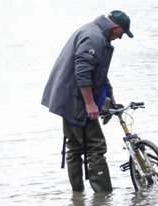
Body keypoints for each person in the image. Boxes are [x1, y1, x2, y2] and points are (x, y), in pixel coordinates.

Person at [41, 10, 134, 192]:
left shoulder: (94, 33)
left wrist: (110, 95)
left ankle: (78, 198)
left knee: (74, 146)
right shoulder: (93, 37)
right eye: (121, 33)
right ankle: (103, 198)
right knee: (96, 146)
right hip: (76, 100)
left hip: (68, 98)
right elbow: (83, 73)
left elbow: (97, 73)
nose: (120, 38)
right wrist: (90, 104)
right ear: (115, 27)